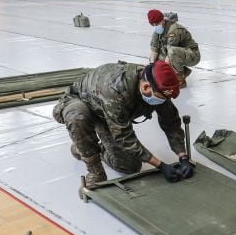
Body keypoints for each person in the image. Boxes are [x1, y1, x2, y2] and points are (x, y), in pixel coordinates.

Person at [52, 60, 193, 189]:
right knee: (77, 116)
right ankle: (94, 169)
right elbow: (124, 136)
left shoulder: (158, 86)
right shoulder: (115, 89)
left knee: (130, 166)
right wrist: (161, 166)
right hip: (83, 102)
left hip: (108, 112)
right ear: (145, 86)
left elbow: (171, 123)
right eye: (160, 98)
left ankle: (88, 149)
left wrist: (183, 157)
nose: (162, 101)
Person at [148, 9, 200, 87]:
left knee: (172, 52)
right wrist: (152, 66)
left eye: (157, 23)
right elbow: (154, 49)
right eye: (153, 24)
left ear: (162, 20)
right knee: (155, 59)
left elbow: (170, 54)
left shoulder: (173, 30)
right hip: (178, 54)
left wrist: (162, 73)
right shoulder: (157, 30)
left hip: (192, 55)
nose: (155, 26)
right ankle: (182, 71)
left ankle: (180, 80)